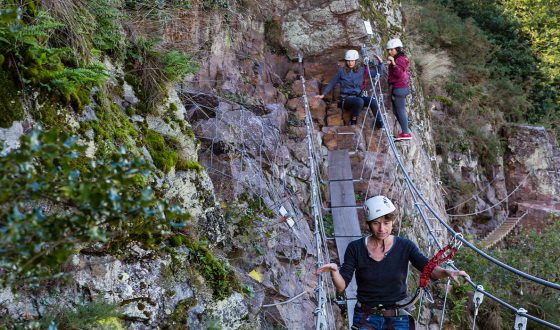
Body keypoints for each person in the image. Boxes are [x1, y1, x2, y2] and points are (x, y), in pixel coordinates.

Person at [316, 195, 469, 330]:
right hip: (366, 316)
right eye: (376, 223)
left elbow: (429, 269)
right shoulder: (355, 248)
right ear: (369, 223)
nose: (382, 228)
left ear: (393, 222)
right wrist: (335, 272)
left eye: (387, 222)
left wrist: (448, 272)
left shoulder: (405, 246)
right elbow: (342, 285)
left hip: (397, 318)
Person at [316, 49, 384, 127]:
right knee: (359, 101)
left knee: (372, 100)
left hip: (358, 97)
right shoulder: (341, 72)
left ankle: (379, 122)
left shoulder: (362, 71)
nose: (350, 63)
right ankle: (353, 121)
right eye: (348, 61)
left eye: (352, 61)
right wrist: (323, 94)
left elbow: (376, 73)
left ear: (356, 61)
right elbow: (332, 83)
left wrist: (380, 63)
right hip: (345, 99)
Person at [385, 38, 412, 141]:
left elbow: (399, 74)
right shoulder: (399, 58)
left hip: (399, 88)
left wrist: (394, 64)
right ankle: (405, 131)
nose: (389, 52)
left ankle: (405, 133)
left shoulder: (399, 60)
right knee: (397, 111)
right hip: (400, 88)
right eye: (389, 50)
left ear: (397, 49)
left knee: (400, 111)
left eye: (391, 50)